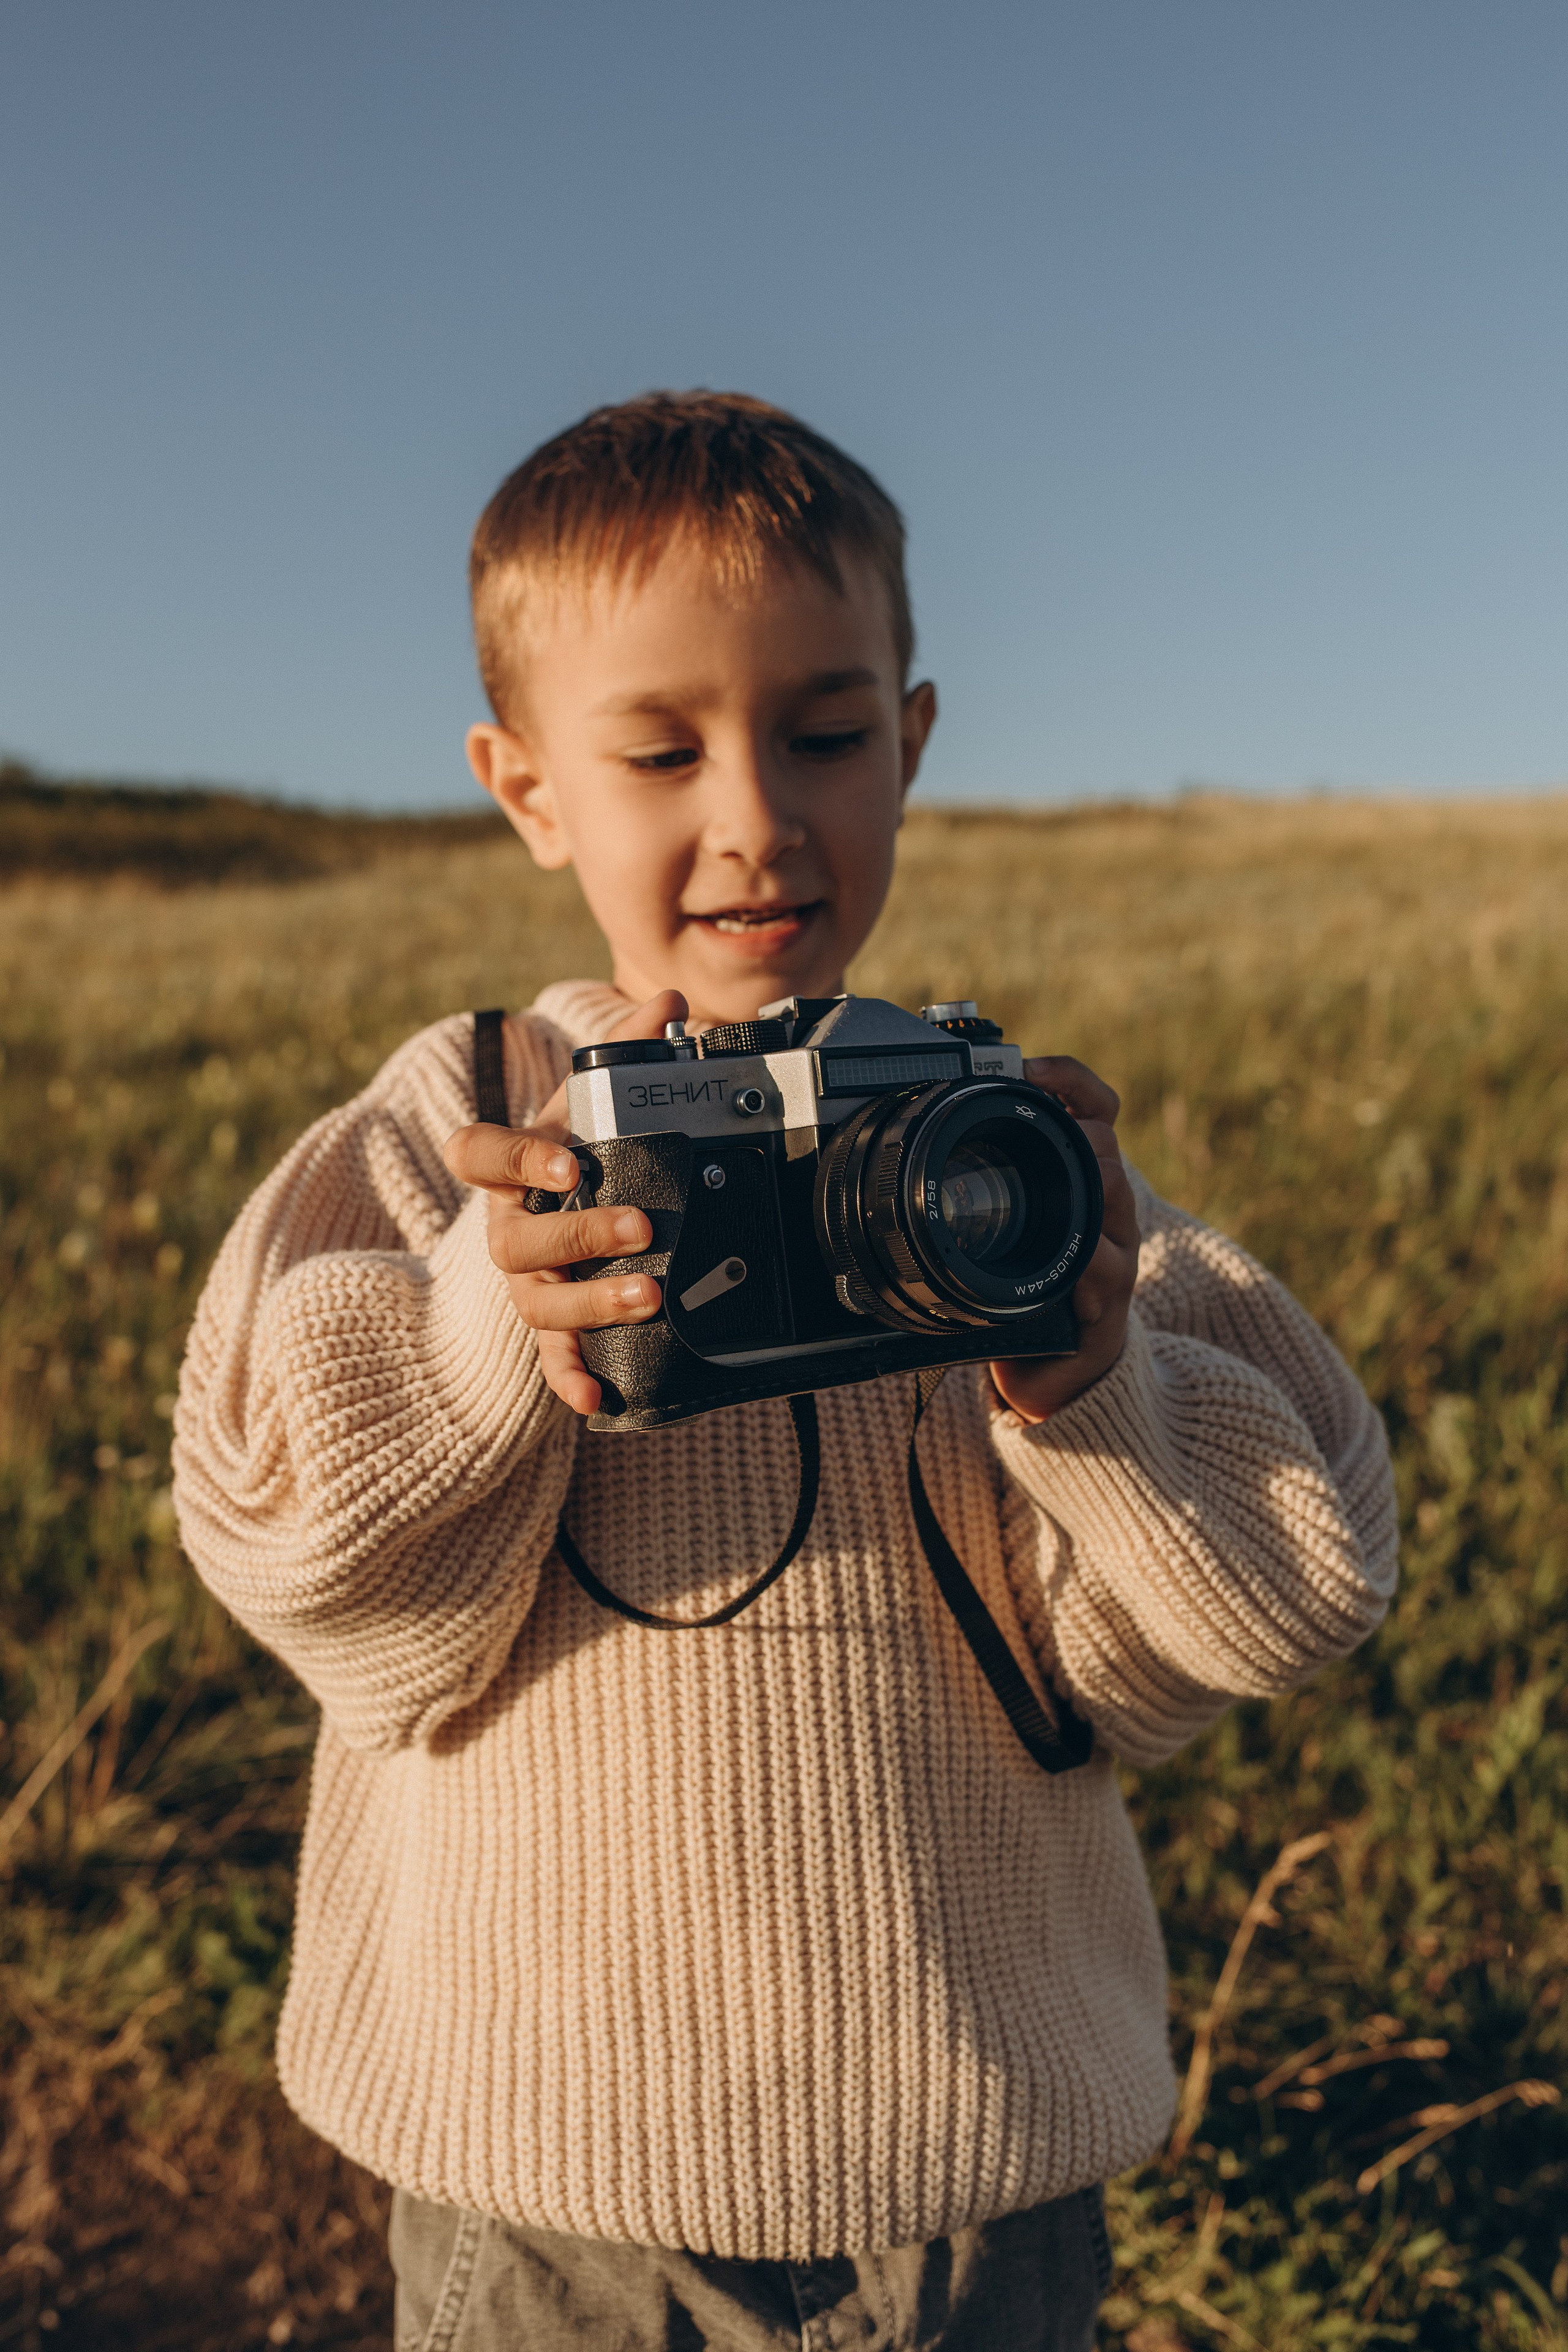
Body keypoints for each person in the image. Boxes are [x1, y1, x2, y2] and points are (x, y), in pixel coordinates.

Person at [173, 391, 1398, 2351]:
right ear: (528, 789)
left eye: (826, 735)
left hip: (980, 2185)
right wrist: (505, 1320)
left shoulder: (983, 1156)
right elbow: (311, 1578)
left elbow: (1285, 1591)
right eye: (659, 750)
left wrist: (1086, 1388)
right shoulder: (462, 1128)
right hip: (556, 2197)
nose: (757, 815)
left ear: (909, 746)